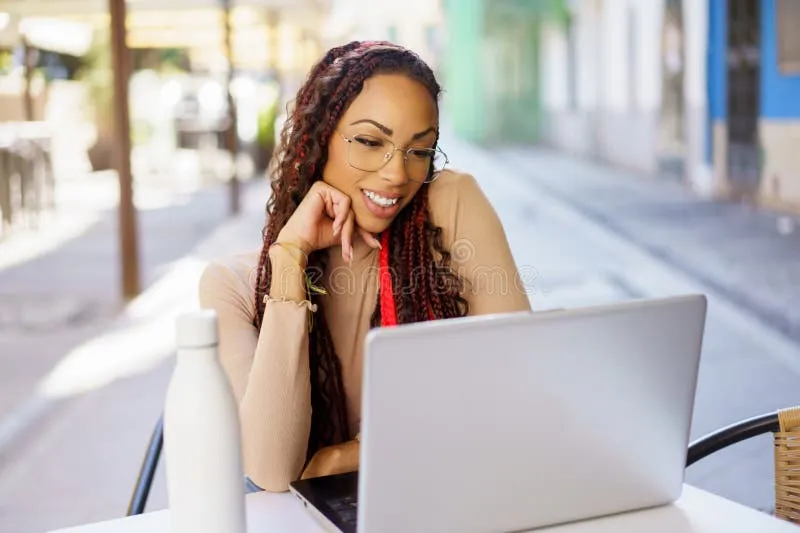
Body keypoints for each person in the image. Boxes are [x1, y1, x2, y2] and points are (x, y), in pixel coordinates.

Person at [198, 40, 531, 493]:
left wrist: (349, 455)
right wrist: (290, 256)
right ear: (316, 141)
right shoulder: (232, 286)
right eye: (371, 142)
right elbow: (274, 472)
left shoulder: (449, 205)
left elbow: (517, 393)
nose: (397, 174)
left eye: (419, 150)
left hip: (446, 498)